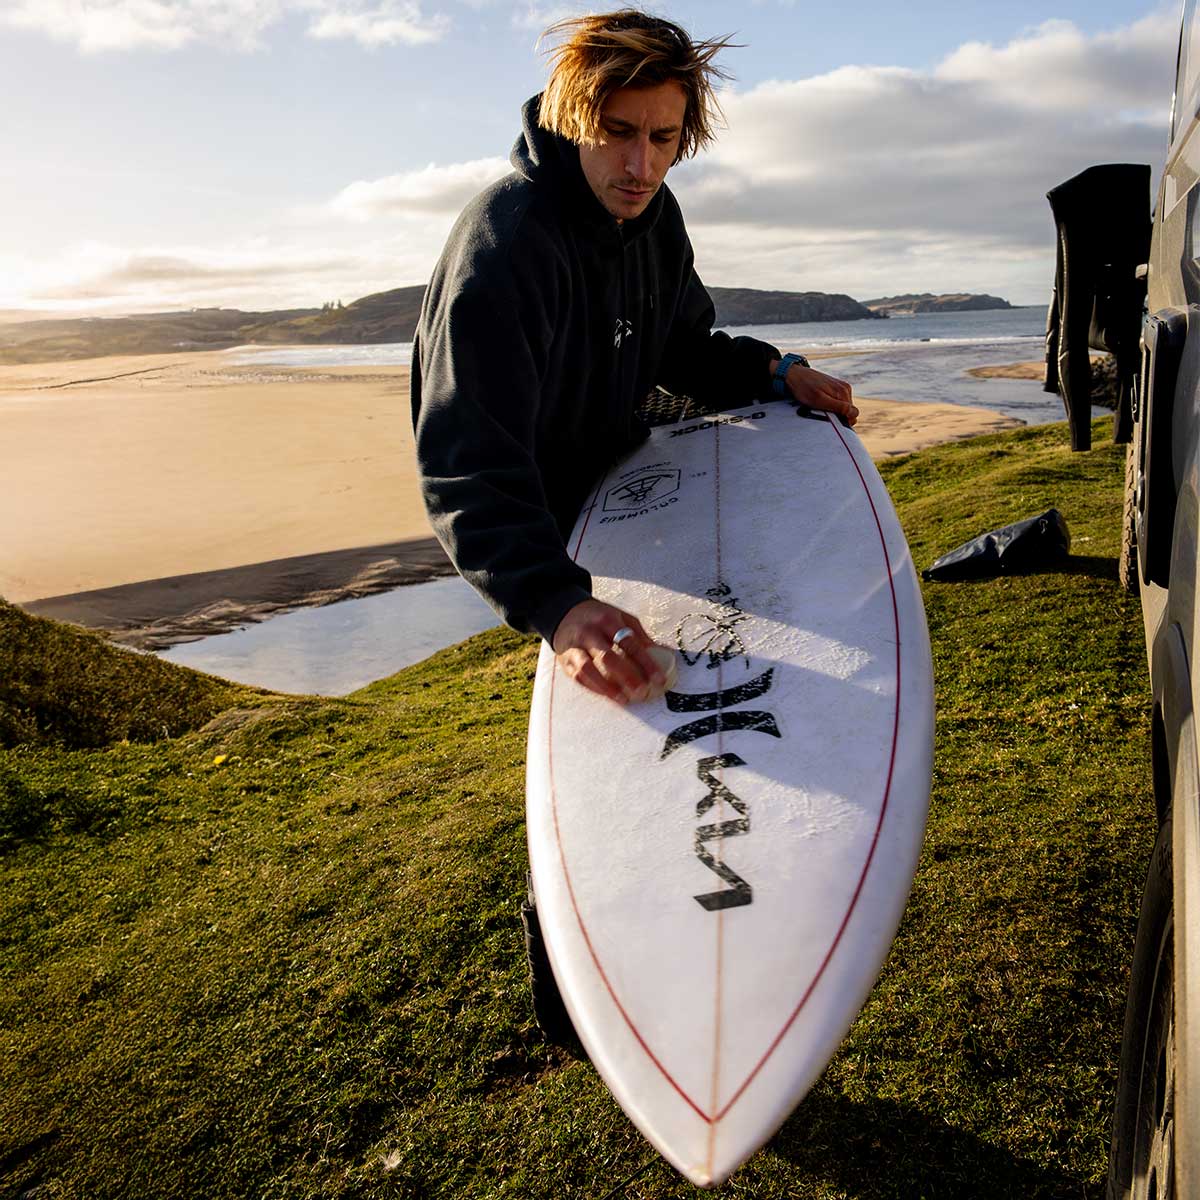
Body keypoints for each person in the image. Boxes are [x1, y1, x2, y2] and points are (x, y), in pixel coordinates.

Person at [411, 8, 857, 1045]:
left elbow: (681, 344)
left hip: (628, 522)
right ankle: (584, 1022)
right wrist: (556, 608)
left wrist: (775, 374)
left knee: (671, 751)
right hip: (550, 537)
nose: (641, 163)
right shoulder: (504, 243)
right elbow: (462, 460)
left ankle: (692, 971)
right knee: (591, 769)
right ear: (575, 115)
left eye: (663, 138)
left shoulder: (652, 218)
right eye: (620, 132)